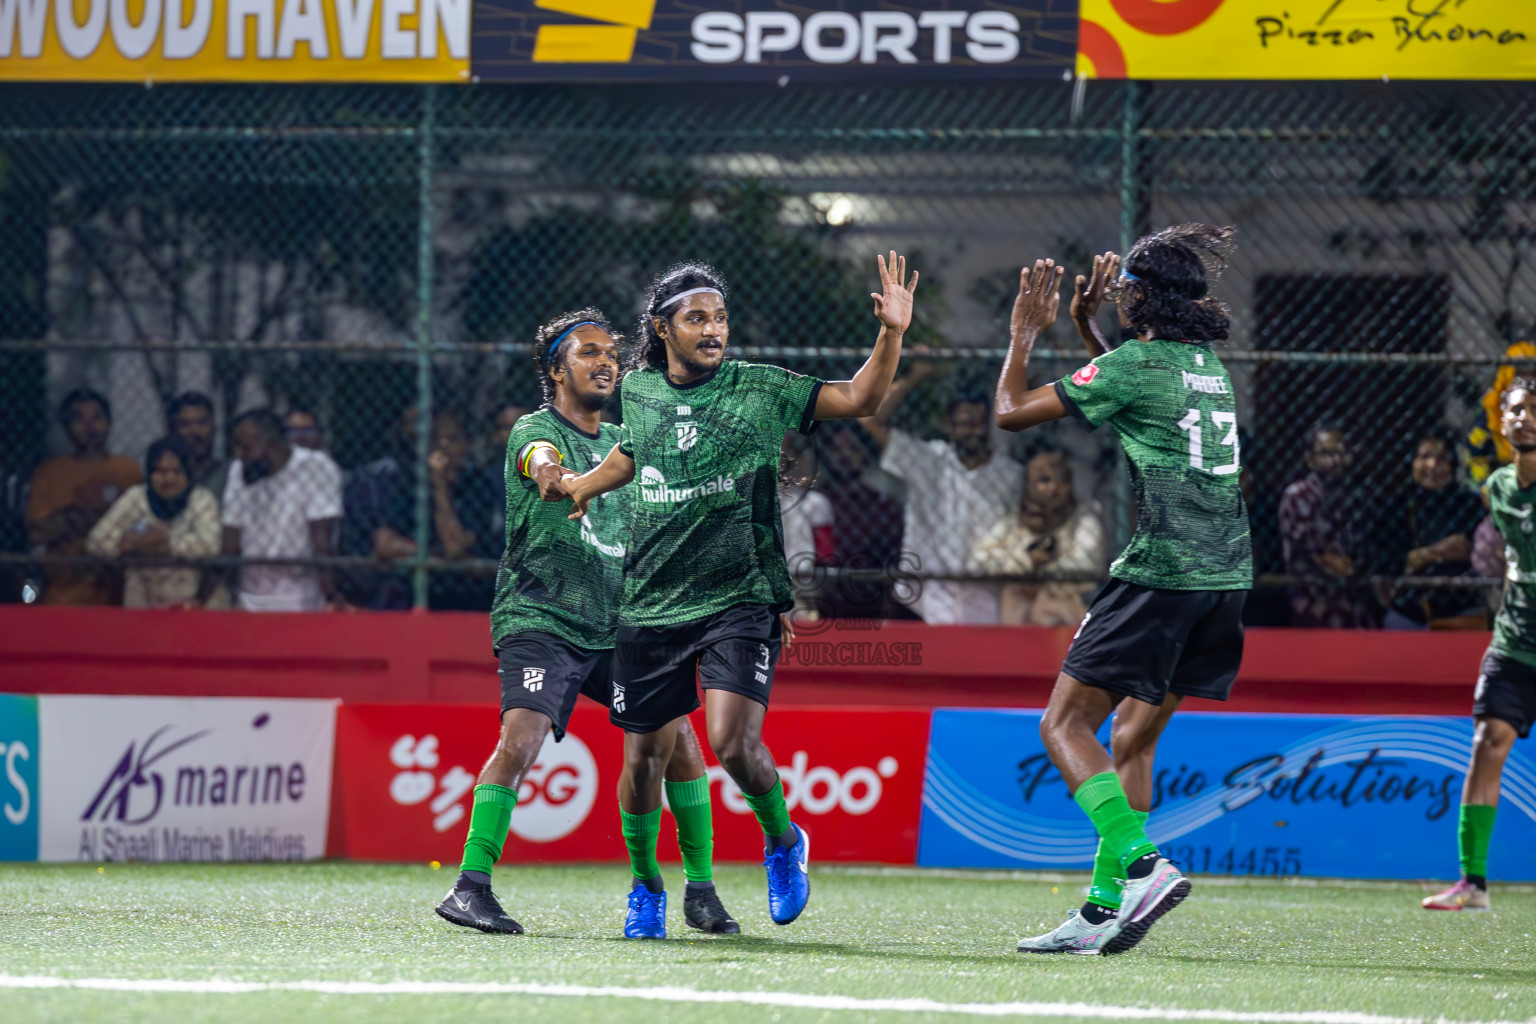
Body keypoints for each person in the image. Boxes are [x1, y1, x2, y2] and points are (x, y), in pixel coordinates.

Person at [558, 254, 917, 937]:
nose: (713, 329)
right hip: (652, 599)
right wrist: (582, 485)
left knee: (731, 742)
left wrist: (891, 334)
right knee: (641, 760)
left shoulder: (758, 387)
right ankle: (645, 889)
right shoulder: (637, 391)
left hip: (739, 596)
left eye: (720, 317)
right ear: (663, 329)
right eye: (697, 318)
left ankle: (782, 841)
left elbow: (859, 398)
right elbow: (634, 454)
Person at [435, 310, 738, 938]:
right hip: (543, 615)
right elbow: (540, 462)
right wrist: (557, 477)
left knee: (682, 746)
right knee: (520, 740)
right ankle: (470, 888)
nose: (606, 363)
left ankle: (701, 893)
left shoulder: (630, 443)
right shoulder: (534, 430)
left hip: (620, 624)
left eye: (612, 355)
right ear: (555, 370)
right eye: (588, 353)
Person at [991, 227, 1251, 955]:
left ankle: (1142, 867)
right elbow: (1135, 393)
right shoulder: (1202, 366)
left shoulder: (1138, 364)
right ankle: (1105, 911)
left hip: (1162, 574)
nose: (1117, 292)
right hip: (1226, 577)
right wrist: (1084, 328)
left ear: (1141, 297)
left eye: (1125, 287)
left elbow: (1012, 409)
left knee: (1063, 726)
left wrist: (1025, 332)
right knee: (1132, 738)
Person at [1423, 379, 1536, 911]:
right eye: (1517, 410)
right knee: (1486, 743)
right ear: (1502, 420)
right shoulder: (1498, 486)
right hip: (1514, 644)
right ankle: (1473, 884)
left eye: (1535, 411)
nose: (1525, 419)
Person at [860, 366, 1023, 624]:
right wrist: (916, 375)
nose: (976, 432)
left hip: (983, 600)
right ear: (948, 425)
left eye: (980, 424)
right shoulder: (929, 460)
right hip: (923, 598)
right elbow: (869, 419)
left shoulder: (1010, 475)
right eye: (966, 424)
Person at [372, 408, 502, 610]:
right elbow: (384, 543)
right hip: (418, 592)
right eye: (436, 439)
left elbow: (454, 546)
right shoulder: (411, 482)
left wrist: (439, 485)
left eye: (452, 439)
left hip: (465, 593)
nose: (442, 446)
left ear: (465, 446)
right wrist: (431, 556)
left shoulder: (476, 484)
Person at [214, 408, 343, 612]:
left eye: (245, 447)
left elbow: (321, 541)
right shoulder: (240, 468)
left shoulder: (315, 466)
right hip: (250, 591)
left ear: (270, 441)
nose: (239, 454)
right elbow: (230, 543)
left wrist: (331, 595)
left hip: (298, 594)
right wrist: (199, 599)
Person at [25, 388, 142, 605]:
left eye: (97, 417)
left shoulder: (126, 470)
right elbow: (39, 532)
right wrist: (99, 517)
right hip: (63, 592)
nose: (89, 426)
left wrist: (72, 520)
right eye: (79, 418)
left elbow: (140, 523)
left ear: (109, 423)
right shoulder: (50, 473)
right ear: (66, 426)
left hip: (119, 591)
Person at [968, 449, 1107, 627]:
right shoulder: (1014, 521)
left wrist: (1044, 572)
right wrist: (1026, 561)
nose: (1050, 487)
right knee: (1013, 592)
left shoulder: (1084, 517)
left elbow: (1086, 565)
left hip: (1064, 612)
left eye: (1057, 477)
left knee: (1052, 600)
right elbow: (977, 562)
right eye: (1041, 480)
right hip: (1018, 616)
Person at [86, 437, 223, 609]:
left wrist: (166, 543)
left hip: (190, 594)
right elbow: (95, 541)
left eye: (177, 472)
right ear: (149, 474)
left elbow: (211, 546)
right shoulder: (136, 497)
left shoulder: (201, 499)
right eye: (160, 472)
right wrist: (128, 545)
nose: (169, 480)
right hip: (143, 593)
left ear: (188, 473)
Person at [1372, 431, 1484, 630]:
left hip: (1463, 606)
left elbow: (1472, 551)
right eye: (1425, 457)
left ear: (1453, 465)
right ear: (1412, 462)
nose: (1432, 466)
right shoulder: (1396, 506)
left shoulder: (1469, 504)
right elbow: (1382, 559)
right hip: (1408, 608)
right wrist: (1433, 553)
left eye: (1441, 459)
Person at [1279, 425, 1374, 629]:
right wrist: (1349, 566)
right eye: (1327, 453)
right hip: (1315, 604)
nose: (1336, 461)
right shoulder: (1298, 495)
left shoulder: (1354, 495)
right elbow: (1324, 557)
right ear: (1310, 459)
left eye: (1341, 452)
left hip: (1355, 605)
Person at [167, 392, 229, 502]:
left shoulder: (230, 475)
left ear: (213, 427)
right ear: (173, 429)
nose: (195, 431)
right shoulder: (163, 478)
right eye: (186, 424)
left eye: (202, 422)